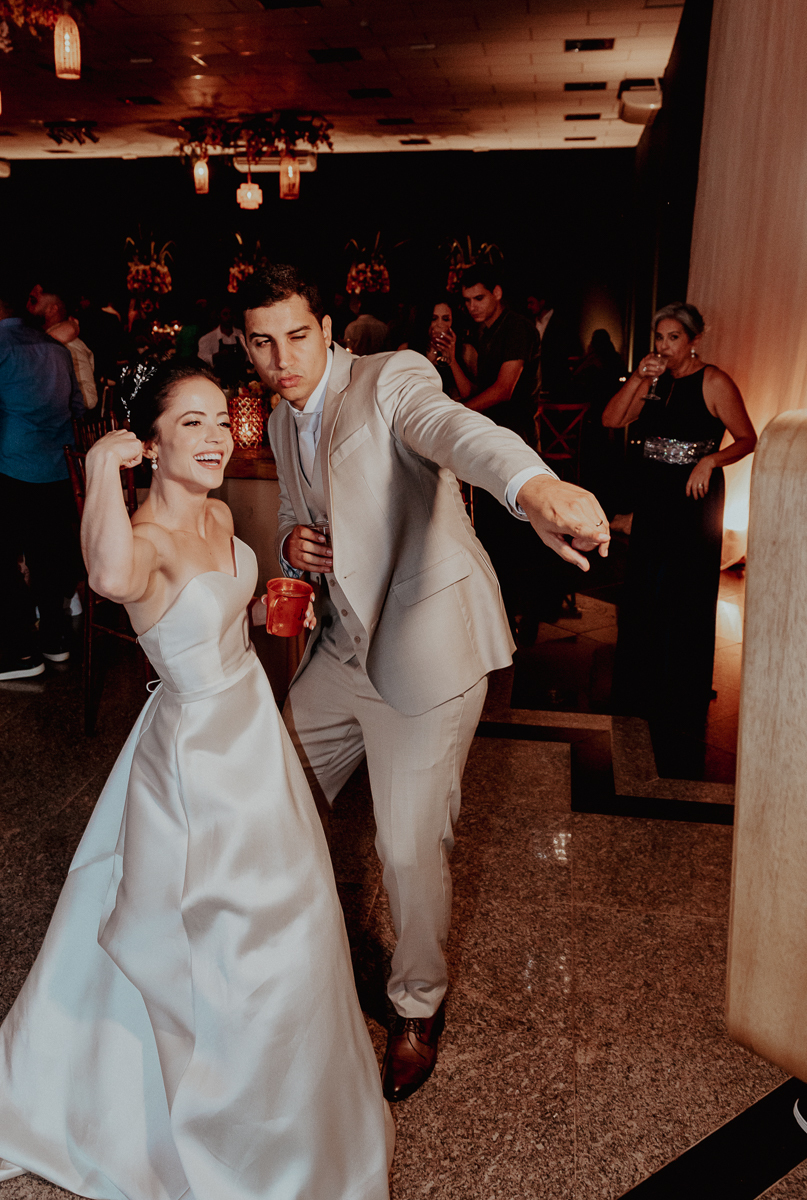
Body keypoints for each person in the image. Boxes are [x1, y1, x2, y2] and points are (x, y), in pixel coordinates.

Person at [0, 361, 393, 1199]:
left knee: (291, 913)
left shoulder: (217, 513)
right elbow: (110, 580)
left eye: (225, 420)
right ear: (151, 442)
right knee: (231, 927)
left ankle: (288, 1093)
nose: (219, 437)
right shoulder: (139, 542)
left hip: (250, 726)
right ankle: (222, 1115)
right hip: (203, 756)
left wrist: (264, 606)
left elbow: (215, 613)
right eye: (193, 424)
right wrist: (104, 468)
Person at [240, 264, 609, 1104]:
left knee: (406, 849)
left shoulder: (391, 378)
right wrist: (295, 542)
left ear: (327, 328)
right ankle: (278, 962)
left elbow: (455, 432)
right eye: (263, 341)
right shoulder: (276, 411)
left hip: (425, 651)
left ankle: (416, 1009)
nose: (280, 357)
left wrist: (535, 487)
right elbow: (308, 510)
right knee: (263, 788)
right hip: (339, 650)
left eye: (297, 335)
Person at [602, 301, 757, 725]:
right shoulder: (653, 381)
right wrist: (638, 376)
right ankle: (641, 681)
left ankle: (682, 685)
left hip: (695, 496)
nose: (665, 346)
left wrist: (709, 461)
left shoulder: (713, 381)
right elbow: (611, 419)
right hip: (655, 493)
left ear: (693, 341)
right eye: (659, 337)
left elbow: (747, 438)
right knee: (643, 585)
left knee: (685, 588)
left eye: (674, 338)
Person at [460, 266, 548, 641]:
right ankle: (500, 618)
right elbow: (481, 385)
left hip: (515, 440)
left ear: (497, 292)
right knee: (494, 531)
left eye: (478, 298)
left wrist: (458, 411)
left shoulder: (517, 327)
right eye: (466, 301)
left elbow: (504, 390)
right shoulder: (486, 331)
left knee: (516, 532)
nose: (472, 307)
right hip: (490, 438)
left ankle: (524, 620)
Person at [0, 287, 83, 677]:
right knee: (47, 556)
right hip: (56, 469)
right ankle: (55, 642)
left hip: (12, 467)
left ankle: (19, 653)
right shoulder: (58, 350)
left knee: (4, 559)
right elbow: (79, 408)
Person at [27, 284, 98, 410]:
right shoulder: (52, 337)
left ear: (52, 309)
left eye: (34, 301)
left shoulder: (68, 344)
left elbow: (89, 398)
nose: (28, 306)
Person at [399, 294, 477, 401]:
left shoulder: (466, 351)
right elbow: (405, 393)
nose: (439, 324)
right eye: (433, 319)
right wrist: (428, 361)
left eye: (445, 319)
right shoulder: (407, 350)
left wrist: (452, 360)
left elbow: (468, 394)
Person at [197, 304, 248, 385]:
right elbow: (201, 359)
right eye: (225, 314)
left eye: (230, 314)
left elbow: (247, 356)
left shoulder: (240, 334)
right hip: (219, 382)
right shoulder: (208, 338)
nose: (229, 317)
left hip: (240, 381)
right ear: (218, 316)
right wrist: (217, 355)